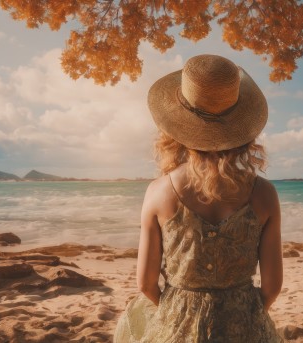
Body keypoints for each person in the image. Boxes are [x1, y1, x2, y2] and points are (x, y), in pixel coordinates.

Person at [114, 54, 283, 342]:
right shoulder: (264, 194)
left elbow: (145, 284)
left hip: (177, 325)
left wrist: (177, 311)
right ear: (242, 130)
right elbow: (272, 287)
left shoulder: (158, 191)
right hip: (245, 326)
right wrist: (241, 314)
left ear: (177, 128)